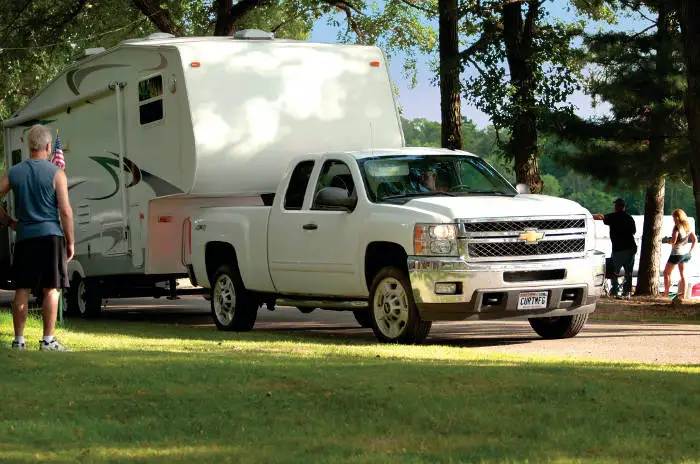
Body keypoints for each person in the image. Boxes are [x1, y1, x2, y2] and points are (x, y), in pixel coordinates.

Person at [0, 124, 74, 351]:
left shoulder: (15, 172)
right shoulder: (57, 173)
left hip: (24, 237)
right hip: (51, 237)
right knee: (52, 289)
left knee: (22, 289)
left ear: (28, 146)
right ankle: (48, 340)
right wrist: (70, 241)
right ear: (49, 147)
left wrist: (9, 221)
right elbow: (65, 211)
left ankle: (19, 341)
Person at [592, 198, 637, 298]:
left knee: (613, 271)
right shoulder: (629, 218)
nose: (615, 207)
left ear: (617, 207)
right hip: (631, 248)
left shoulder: (613, 217)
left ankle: (615, 291)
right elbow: (634, 231)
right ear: (624, 207)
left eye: (616, 205)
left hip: (619, 250)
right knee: (628, 272)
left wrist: (587, 215)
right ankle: (627, 292)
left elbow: (600, 217)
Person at [663, 209, 696, 298]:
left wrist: (667, 240)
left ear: (677, 217)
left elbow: (673, 241)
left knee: (666, 273)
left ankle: (666, 294)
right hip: (686, 254)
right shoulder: (688, 226)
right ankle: (683, 296)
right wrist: (690, 251)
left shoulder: (676, 227)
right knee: (683, 275)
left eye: (674, 217)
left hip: (676, 254)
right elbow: (694, 240)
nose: (673, 219)